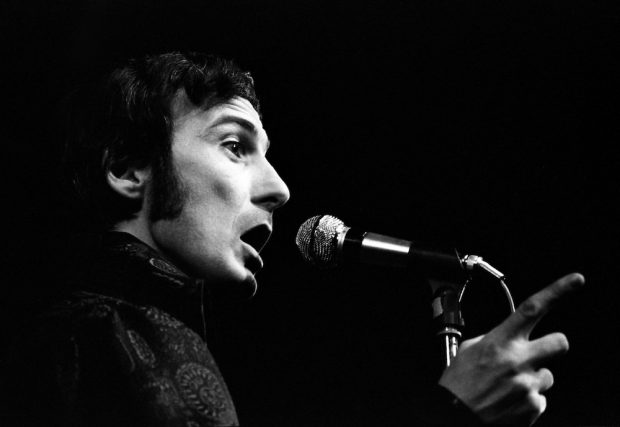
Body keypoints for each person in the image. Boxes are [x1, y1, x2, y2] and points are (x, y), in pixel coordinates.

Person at [2, 51, 584, 426]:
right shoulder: (114, 332)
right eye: (235, 146)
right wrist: (455, 411)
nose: (279, 189)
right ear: (129, 169)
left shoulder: (96, 329)